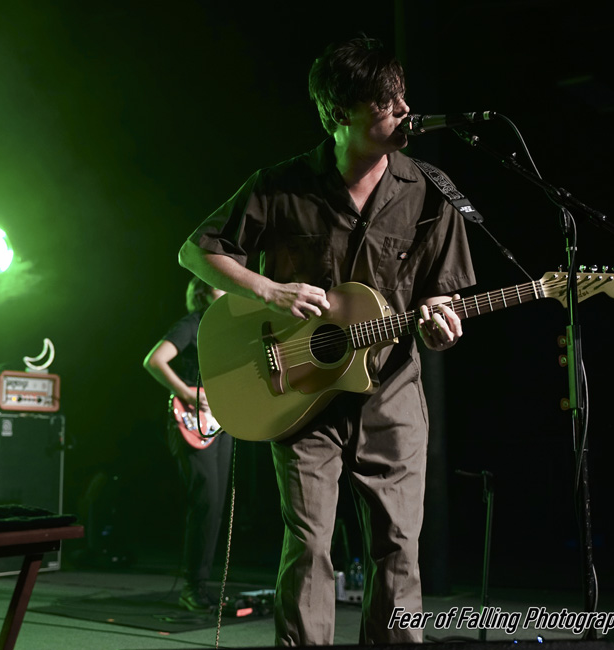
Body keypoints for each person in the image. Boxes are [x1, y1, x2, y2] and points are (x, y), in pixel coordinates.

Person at [178, 35, 476, 645]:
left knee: (398, 545)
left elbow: (441, 296)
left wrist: (443, 325)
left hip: (391, 391)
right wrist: (270, 291)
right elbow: (196, 251)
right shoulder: (281, 184)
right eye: (384, 102)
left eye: (401, 97)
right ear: (338, 115)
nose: (402, 111)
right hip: (296, 391)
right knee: (310, 544)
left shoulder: (430, 191)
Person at [143, 276, 234, 611]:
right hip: (191, 419)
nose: (225, 291)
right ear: (202, 292)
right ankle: (192, 587)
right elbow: (154, 360)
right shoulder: (192, 323)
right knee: (205, 501)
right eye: (218, 286)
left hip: (221, 423)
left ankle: (202, 586)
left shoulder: (225, 331)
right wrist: (189, 394)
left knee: (216, 504)